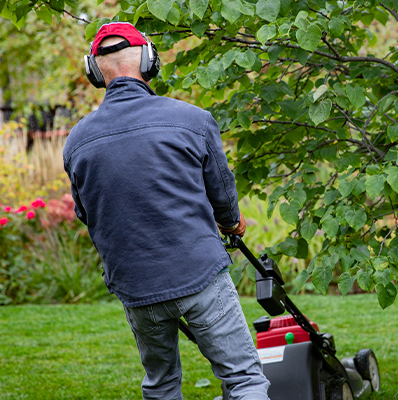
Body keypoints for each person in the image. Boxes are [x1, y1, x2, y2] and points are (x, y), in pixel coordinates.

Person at [63, 22, 270, 400]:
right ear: (149, 61)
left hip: (136, 285)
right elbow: (222, 194)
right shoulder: (192, 119)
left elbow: (86, 212)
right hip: (199, 273)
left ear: (94, 71)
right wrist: (231, 223)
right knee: (244, 379)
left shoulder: (76, 141)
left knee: (161, 385)